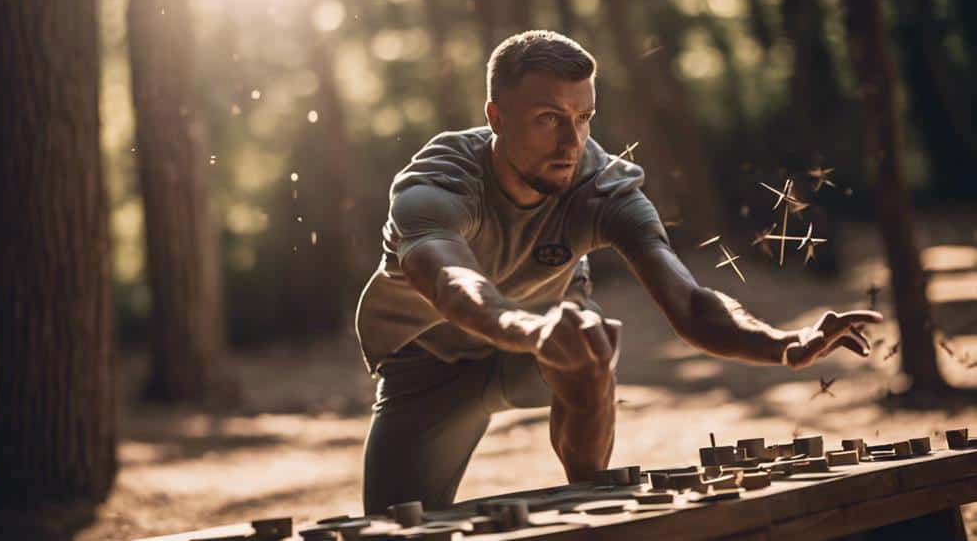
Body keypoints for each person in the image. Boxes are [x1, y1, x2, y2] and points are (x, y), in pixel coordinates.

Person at [354, 30, 881, 514]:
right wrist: (533, 331)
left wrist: (782, 344)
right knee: (392, 524)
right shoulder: (439, 183)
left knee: (589, 348)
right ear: (495, 117)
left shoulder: (603, 187)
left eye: (583, 118)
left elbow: (690, 303)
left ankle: (599, 511)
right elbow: (453, 285)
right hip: (428, 364)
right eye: (548, 118)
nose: (570, 142)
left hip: (552, 348)